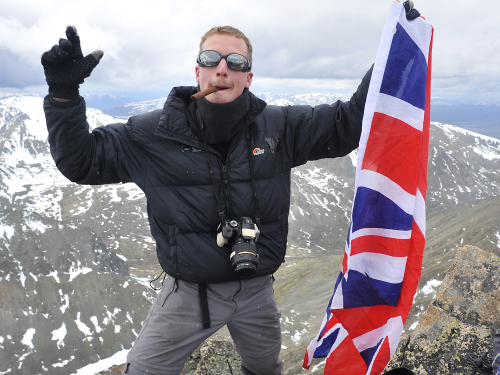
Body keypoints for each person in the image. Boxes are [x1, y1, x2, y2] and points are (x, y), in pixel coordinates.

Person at [41, 7, 421, 371]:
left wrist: (395, 51)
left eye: (236, 63)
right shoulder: (150, 135)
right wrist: (62, 94)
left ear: (248, 77)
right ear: (198, 70)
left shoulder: (279, 127)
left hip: (256, 290)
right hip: (189, 293)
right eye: (212, 58)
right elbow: (81, 161)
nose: (223, 68)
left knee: (264, 369)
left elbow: (346, 124)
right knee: (144, 368)